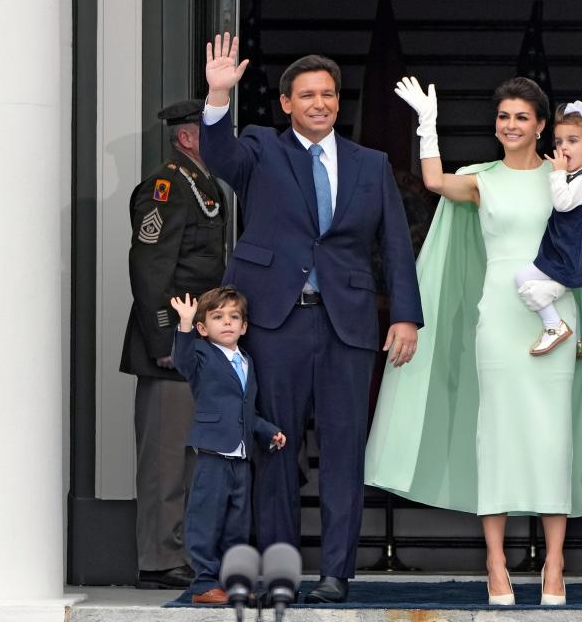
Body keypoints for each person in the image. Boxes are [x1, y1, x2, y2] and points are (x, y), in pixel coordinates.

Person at [366, 76, 582, 606]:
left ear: (543, 125)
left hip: (555, 311)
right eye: (504, 116)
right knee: (493, 435)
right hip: (499, 313)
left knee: (552, 437)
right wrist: (428, 124)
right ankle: (495, 563)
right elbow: (432, 182)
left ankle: (555, 565)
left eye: (523, 117)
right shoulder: (482, 179)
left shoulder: (565, 174)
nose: (511, 125)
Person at [199, 34, 423, 604]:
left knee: (346, 448)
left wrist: (406, 317)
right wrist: (218, 97)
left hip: (346, 324)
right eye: (307, 95)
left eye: (328, 94)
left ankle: (335, 573)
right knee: (276, 447)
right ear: (286, 104)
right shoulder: (259, 148)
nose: (319, 103)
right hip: (277, 323)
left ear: (338, 102)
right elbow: (221, 160)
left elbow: (395, 246)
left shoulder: (371, 164)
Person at [120, 98, 228, 589]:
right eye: (210, 131)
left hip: (197, 341)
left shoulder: (201, 185)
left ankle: (180, 552)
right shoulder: (166, 188)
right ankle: (159, 560)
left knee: (190, 456)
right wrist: (167, 338)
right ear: (188, 137)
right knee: (165, 458)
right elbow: (150, 269)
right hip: (170, 345)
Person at [170, 287, 286, 605]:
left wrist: (267, 432)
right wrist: (184, 323)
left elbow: (248, 410)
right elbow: (181, 361)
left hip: (241, 456)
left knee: (237, 523)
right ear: (203, 328)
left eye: (234, 317)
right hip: (213, 453)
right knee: (206, 519)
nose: (228, 322)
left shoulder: (247, 361)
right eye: (218, 316)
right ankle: (204, 583)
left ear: (244, 327)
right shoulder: (201, 355)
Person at [515, 99, 582, 355]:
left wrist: (557, 173)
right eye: (559, 142)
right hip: (575, 254)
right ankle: (574, 336)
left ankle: (554, 324)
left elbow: (562, 204)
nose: (563, 148)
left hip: (574, 256)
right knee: (535, 283)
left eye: (573, 141)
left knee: (525, 280)